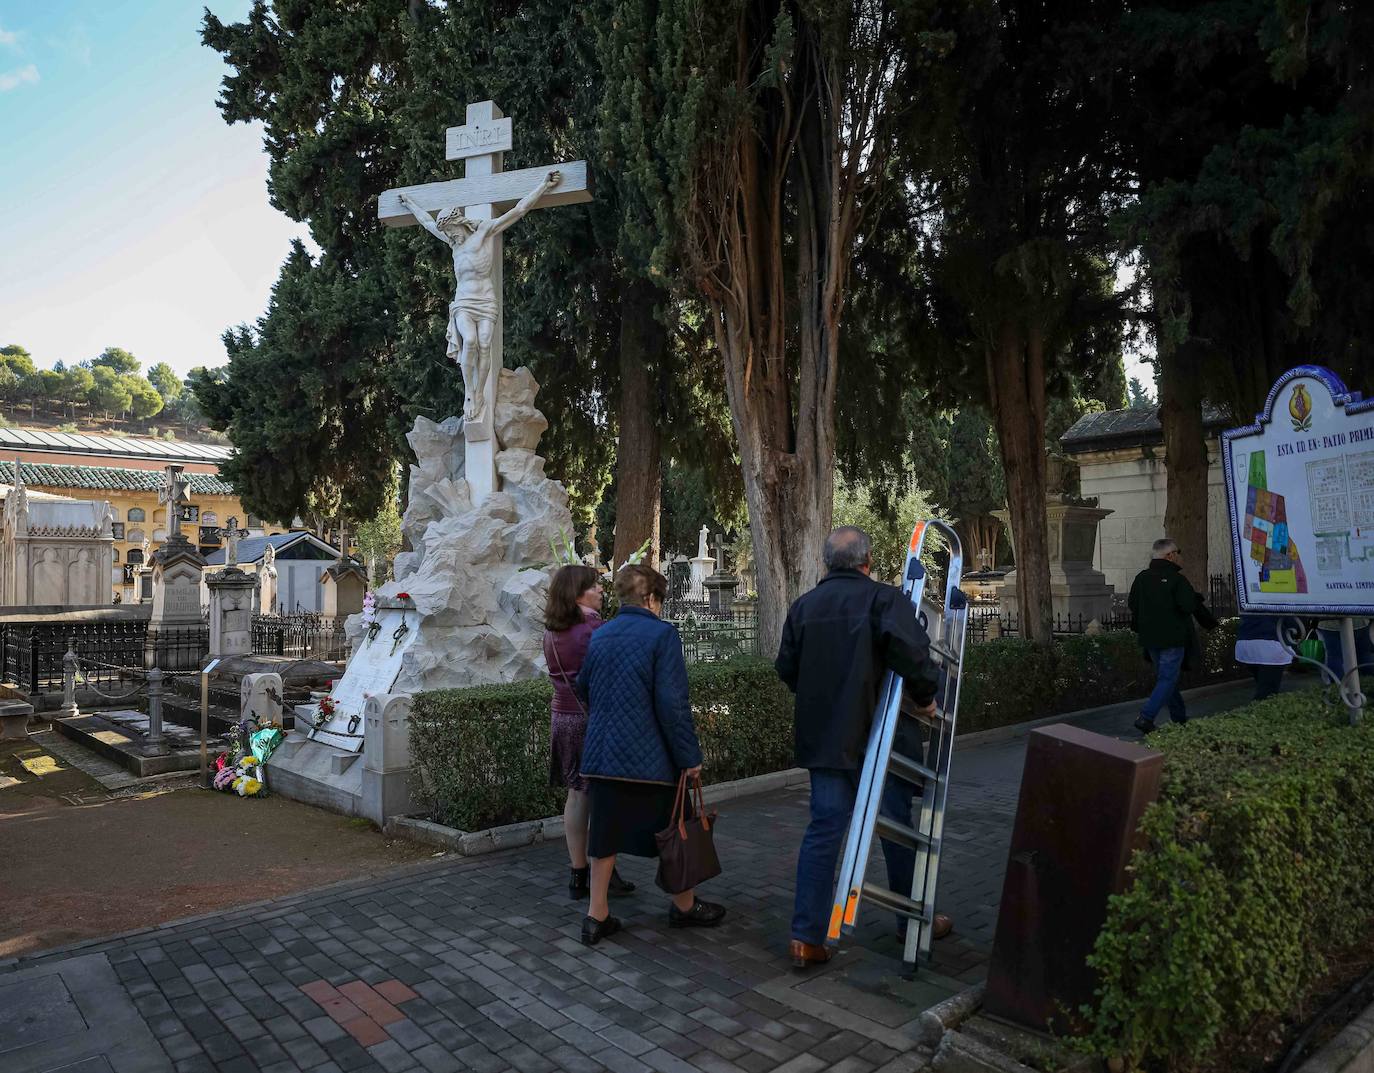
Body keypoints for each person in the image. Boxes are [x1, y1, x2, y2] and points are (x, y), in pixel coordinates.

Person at [775, 526, 950, 969]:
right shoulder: (883, 599)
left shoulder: (803, 607)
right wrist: (927, 698)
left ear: (826, 563)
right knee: (894, 826)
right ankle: (910, 922)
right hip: (879, 735)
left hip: (826, 737)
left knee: (824, 831)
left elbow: (787, 669)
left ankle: (804, 937)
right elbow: (915, 653)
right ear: (867, 561)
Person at [576, 564, 726, 946]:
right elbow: (672, 704)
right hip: (651, 759)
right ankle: (685, 906)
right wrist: (689, 757)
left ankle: (596, 917)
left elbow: (584, 686)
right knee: (676, 827)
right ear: (651, 598)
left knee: (604, 835)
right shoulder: (662, 635)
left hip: (603, 754)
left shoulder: (602, 634)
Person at [543, 564, 635, 901]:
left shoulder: (551, 631)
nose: (601, 591)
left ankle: (577, 872)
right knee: (602, 797)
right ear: (577, 592)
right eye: (595, 586)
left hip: (562, 717)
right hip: (591, 719)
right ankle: (604, 872)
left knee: (576, 795)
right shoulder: (593, 628)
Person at [1128, 539, 1218, 734]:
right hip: (1173, 638)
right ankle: (1146, 717)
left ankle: (1179, 719)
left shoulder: (1141, 578)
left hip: (1150, 639)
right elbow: (1188, 606)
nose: (1181, 555)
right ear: (1170, 556)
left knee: (1167, 679)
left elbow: (1132, 604)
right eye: (1178, 552)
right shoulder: (1177, 580)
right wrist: (1204, 612)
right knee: (1168, 679)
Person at [1234, 613, 1296, 701]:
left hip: (1246, 643)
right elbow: (1292, 623)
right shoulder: (1281, 600)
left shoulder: (1251, 601)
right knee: (1267, 693)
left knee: (1263, 685)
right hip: (1271, 645)